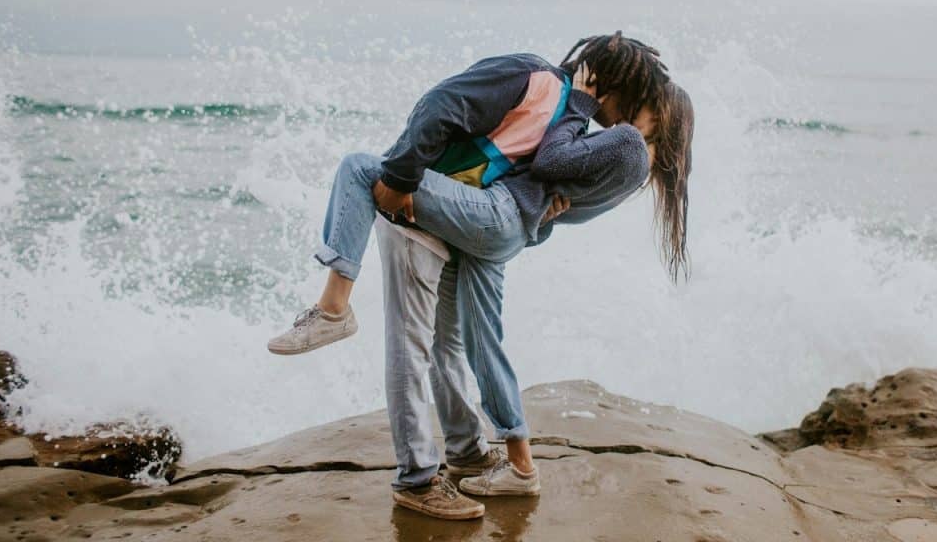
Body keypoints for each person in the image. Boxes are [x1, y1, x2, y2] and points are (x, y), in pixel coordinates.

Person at [268, 34, 694, 520]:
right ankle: (479, 454)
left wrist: (403, 176)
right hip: (481, 223)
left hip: (477, 215)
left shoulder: (608, 134)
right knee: (467, 343)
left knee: (363, 172)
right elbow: (550, 188)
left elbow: (548, 165)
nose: (622, 112)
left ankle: (334, 310)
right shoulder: (578, 120)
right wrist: (538, 212)